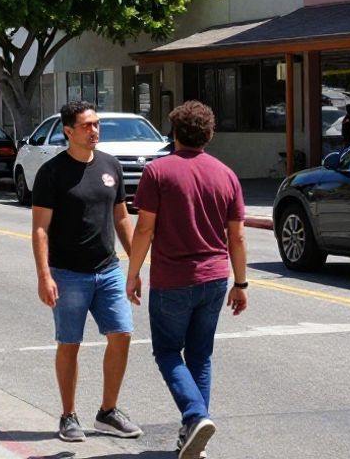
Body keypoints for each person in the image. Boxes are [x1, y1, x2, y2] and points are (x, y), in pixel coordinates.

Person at [126, 101, 248, 459]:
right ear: (208, 135)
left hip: (172, 279)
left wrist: (132, 273)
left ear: (175, 133)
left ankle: (196, 417)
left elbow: (144, 228)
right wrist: (240, 284)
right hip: (214, 279)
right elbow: (236, 238)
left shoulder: (158, 172)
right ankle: (193, 434)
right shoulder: (226, 174)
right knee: (200, 355)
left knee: (166, 351)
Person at [31, 101, 142, 443]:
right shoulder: (51, 173)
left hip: (108, 269)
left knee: (122, 335)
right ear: (68, 131)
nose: (94, 130)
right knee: (70, 343)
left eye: (96, 124)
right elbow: (40, 229)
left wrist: (134, 266)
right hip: (67, 273)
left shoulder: (110, 165)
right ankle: (68, 416)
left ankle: (108, 412)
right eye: (86, 126)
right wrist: (44, 276)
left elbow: (121, 217)